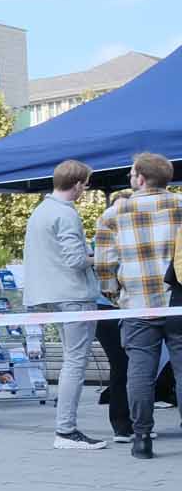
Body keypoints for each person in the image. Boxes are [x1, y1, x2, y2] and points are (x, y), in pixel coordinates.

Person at [94, 152, 182, 459]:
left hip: (137, 303)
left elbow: (105, 265)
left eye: (132, 174)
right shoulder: (180, 205)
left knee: (139, 371)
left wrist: (115, 296)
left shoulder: (114, 214)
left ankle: (141, 437)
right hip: (178, 301)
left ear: (140, 178)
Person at [22, 159, 108, 450]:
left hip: (51, 296)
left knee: (70, 364)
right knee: (75, 364)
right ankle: (66, 431)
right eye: (86, 184)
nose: (86, 189)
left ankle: (66, 429)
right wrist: (103, 258)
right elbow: (75, 260)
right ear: (78, 184)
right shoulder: (66, 215)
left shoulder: (40, 211)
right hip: (74, 296)